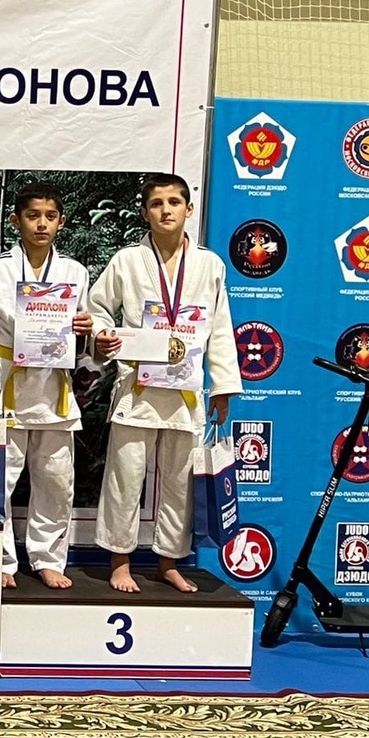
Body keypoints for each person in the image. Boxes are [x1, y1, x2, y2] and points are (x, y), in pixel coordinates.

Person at [90, 173, 242, 594]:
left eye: (174, 202)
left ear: (189, 209)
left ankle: (168, 562)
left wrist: (223, 386)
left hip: (186, 388)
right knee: (125, 477)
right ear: (145, 212)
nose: (166, 210)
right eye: (156, 204)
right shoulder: (127, 260)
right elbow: (98, 307)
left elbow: (220, 327)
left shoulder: (210, 265)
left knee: (180, 480)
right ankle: (120, 561)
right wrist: (102, 335)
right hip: (137, 386)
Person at [0, 182, 92, 590]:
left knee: (56, 479)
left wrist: (85, 328)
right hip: (6, 382)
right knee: (0, 477)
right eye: (33, 216)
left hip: (54, 386)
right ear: (15, 220)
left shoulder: (75, 272)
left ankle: (48, 557)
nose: (41, 224)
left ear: (61, 222)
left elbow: (86, 329)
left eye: (50, 217)